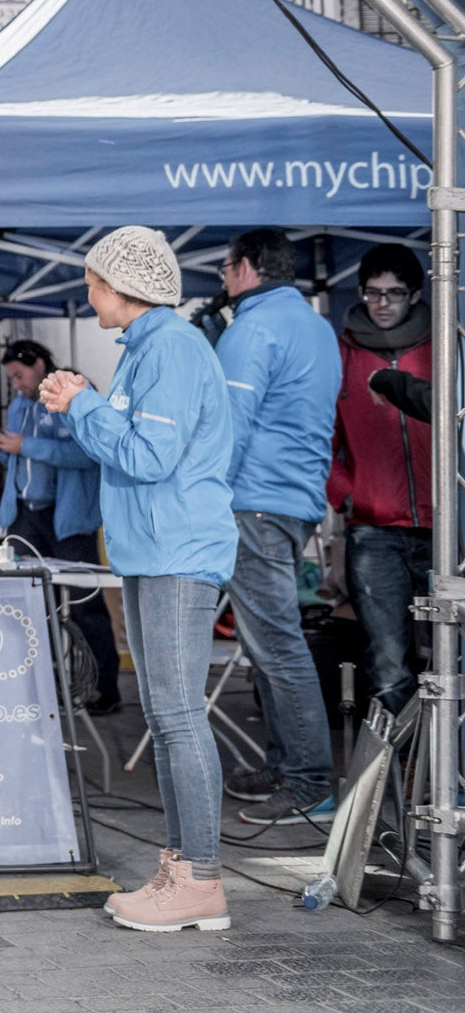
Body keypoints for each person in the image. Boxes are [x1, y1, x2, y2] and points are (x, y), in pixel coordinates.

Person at [40, 226, 235, 934]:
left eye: (93, 280)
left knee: (178, 716)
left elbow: (150, 456)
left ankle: (201, 880)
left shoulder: (174, 350)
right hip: (157, 551)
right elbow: (128, 447)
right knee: (165, 715)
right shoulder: (149, 350)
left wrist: (84, 404)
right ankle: (183, 870)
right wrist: (84, 401)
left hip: (178, 551)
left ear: (124, 286)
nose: (87, 292)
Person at [208, 229, 341, 827]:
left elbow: (228, 428)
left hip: (254, 500)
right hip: (292, 498)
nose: (221, 279)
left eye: (225, 269)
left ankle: (311, 782)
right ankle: (288, 765)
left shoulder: (253, 327)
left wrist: (205, 496)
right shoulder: (314, 325)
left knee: (277, 647)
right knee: (269, 646)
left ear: (248, 268)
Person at [328, 242, 435, 716]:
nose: (384, 303)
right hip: (373, 529)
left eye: (395, 293)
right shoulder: (341, 355)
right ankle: (399, 775)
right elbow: (318, 440)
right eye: (374, 293)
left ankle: (446, 769)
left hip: (445, 527)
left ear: (416, 295)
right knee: (388, 661)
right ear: (360, 293)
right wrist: (347, 496)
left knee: (448, 658)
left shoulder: (445, 347)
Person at [0, 340, 118, 712]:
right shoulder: (18, 405)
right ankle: (45, 686)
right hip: (27, 517)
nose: (16, 384)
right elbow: (21, 460)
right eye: (11, 377)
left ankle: (103, 689)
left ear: (40, 364)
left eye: (20, 375)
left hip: (69, 518)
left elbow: (88, 453)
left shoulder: (74, 392)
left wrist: (25, 446)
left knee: (83, 604)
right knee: (31, 606)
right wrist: (0, 446)